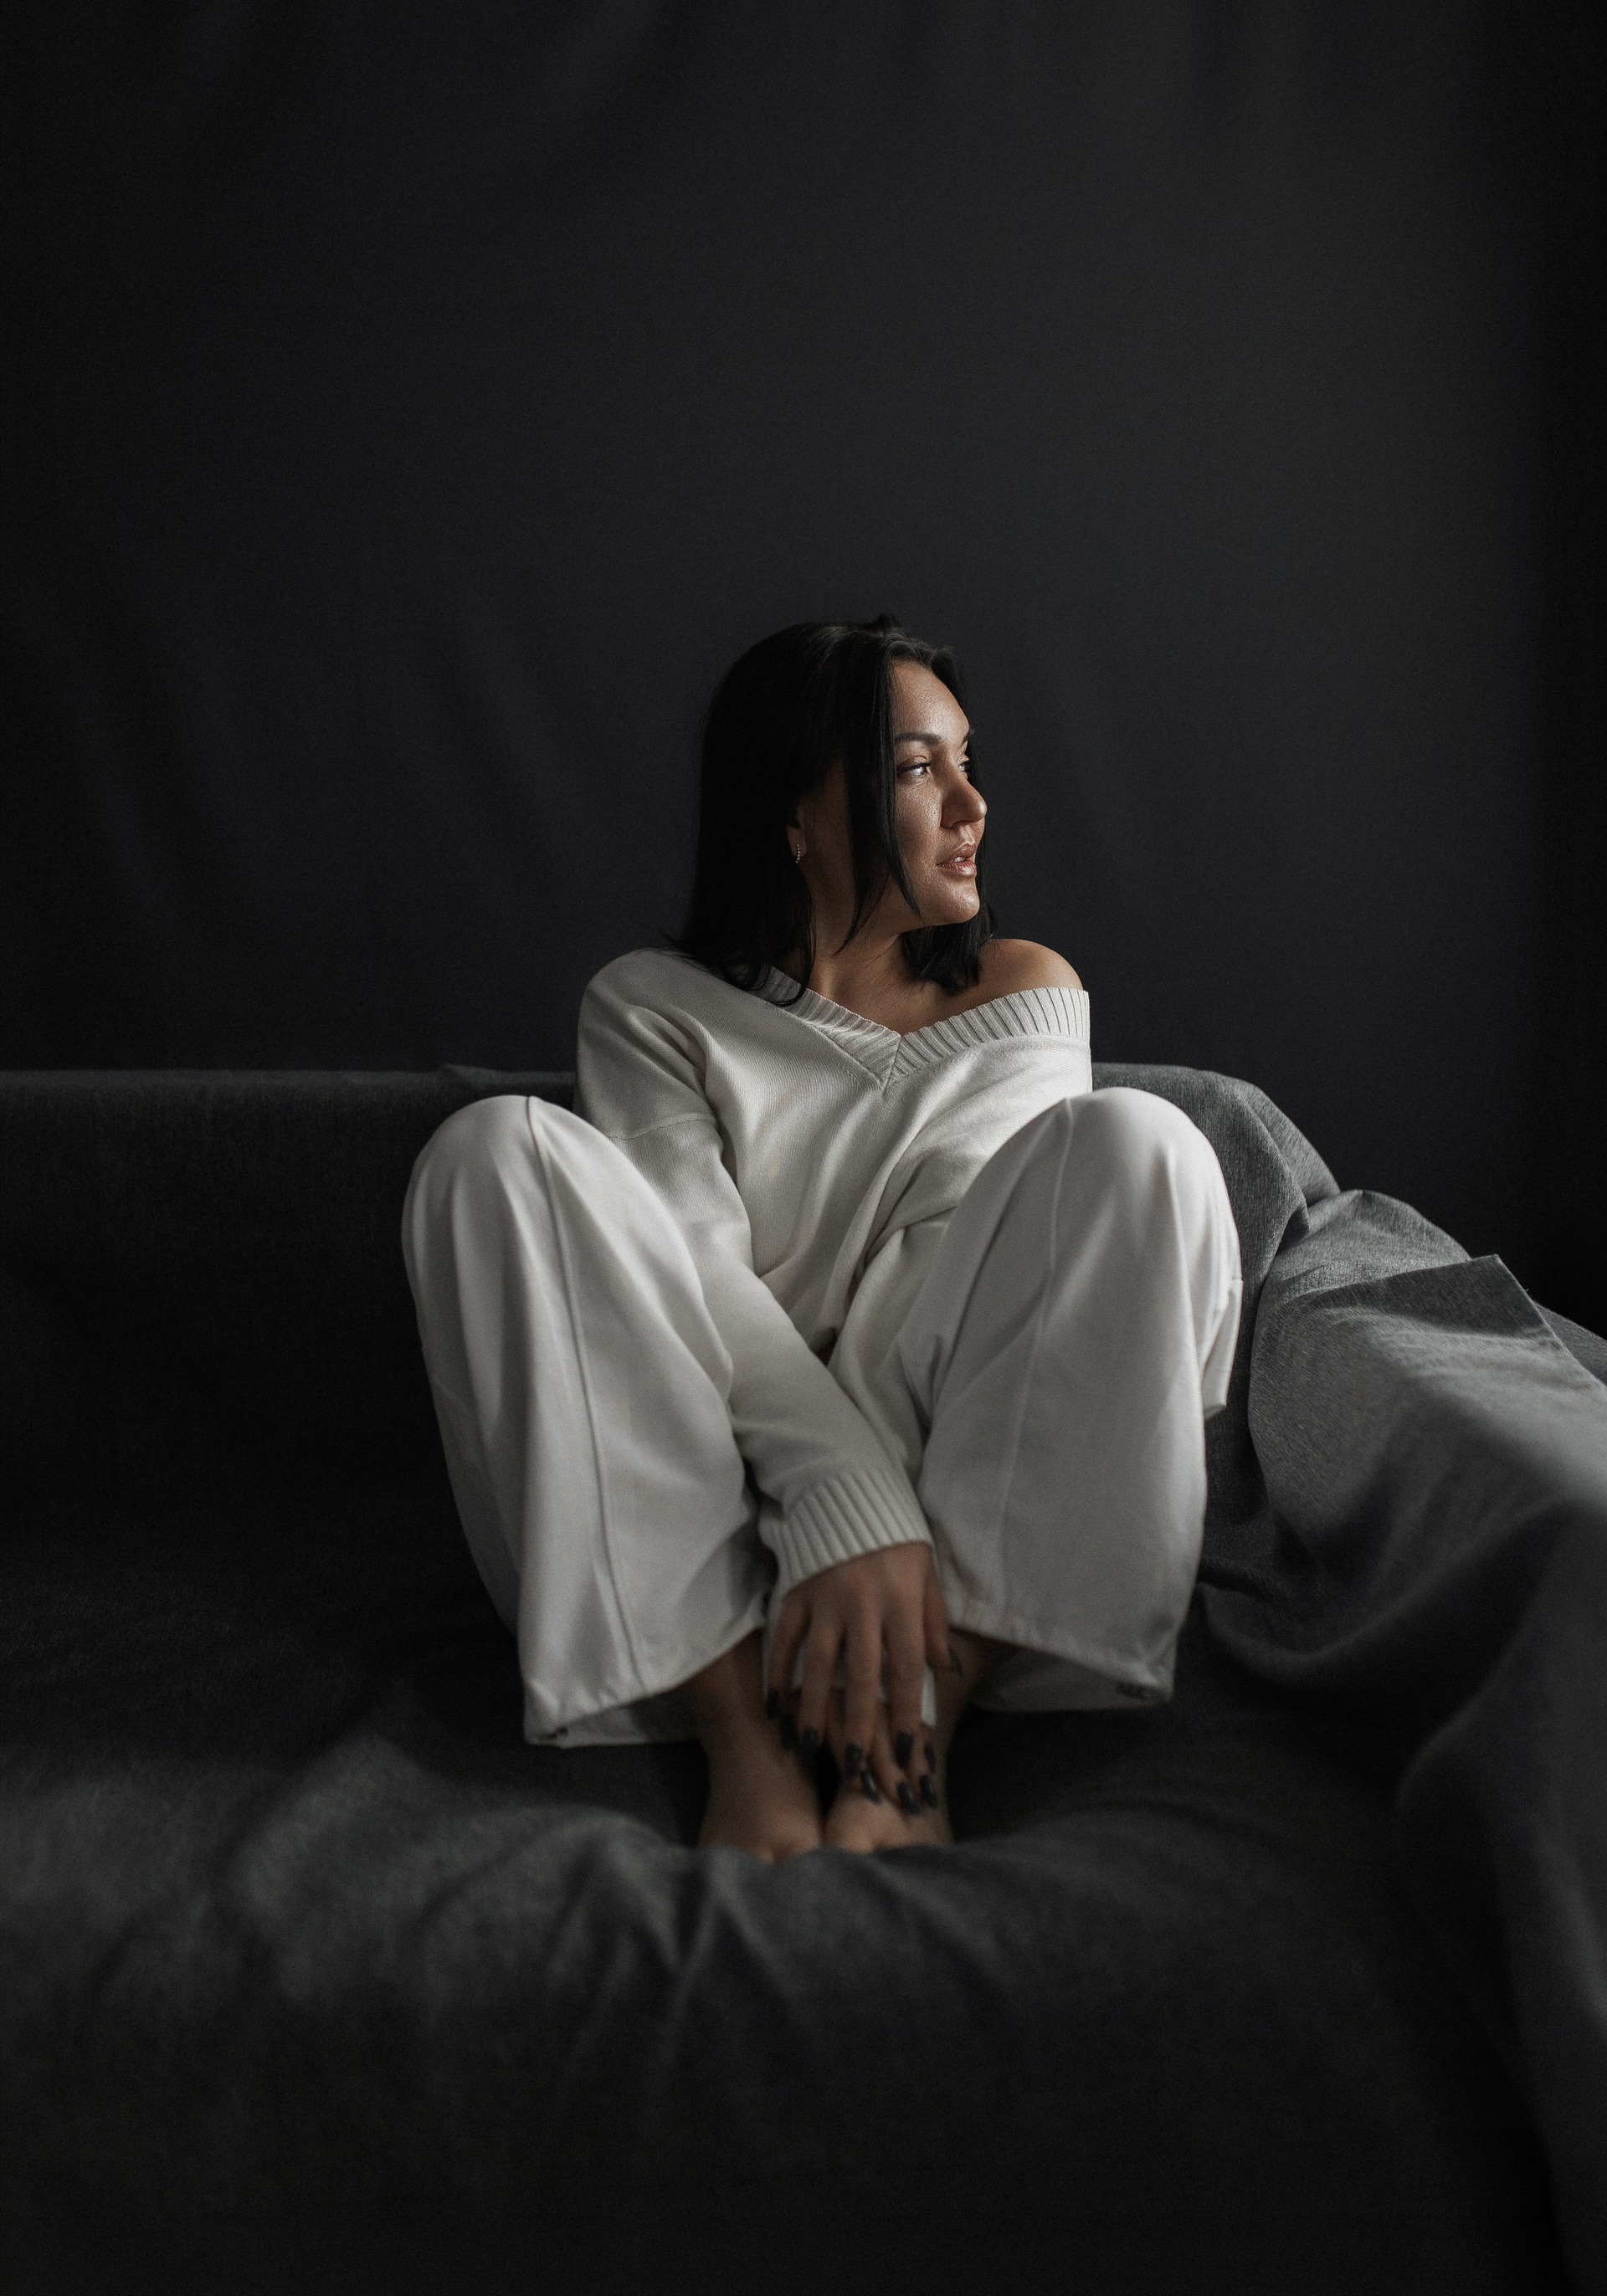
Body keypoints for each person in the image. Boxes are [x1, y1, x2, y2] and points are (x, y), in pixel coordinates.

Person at [403, 616, 1243, 1861]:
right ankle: (742, 1733)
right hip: (690, 1522)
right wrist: (836, 1502)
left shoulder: (1023, 988)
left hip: (958, 1555)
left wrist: (879, 1541)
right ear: (795, 813)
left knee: (1144, 1144)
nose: (973, 805)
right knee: (491, 1152)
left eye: (967, 762)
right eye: (917, 769)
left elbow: (942, 1273)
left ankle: (905, 1727)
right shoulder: (652, 1005)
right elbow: (690, 1270)